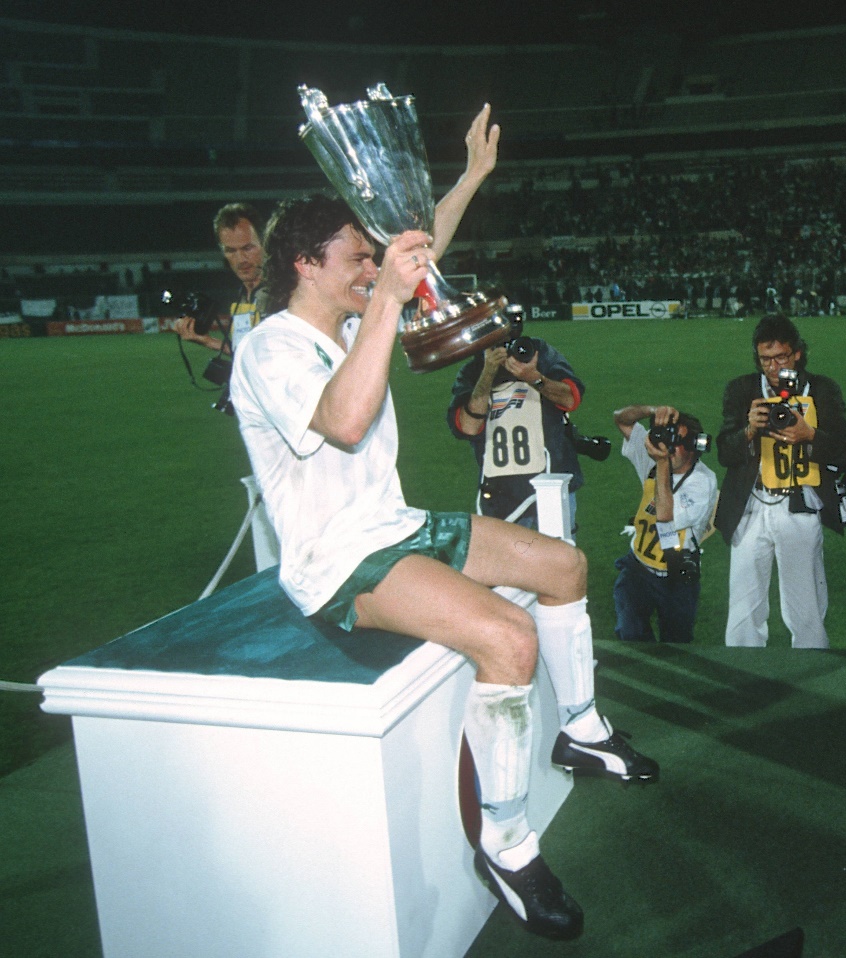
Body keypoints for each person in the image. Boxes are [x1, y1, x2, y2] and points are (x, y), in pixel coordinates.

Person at [227, 195, 656, 942]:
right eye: (356, 257)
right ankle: (507, 840)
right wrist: (386, 298)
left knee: (564, 565)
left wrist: (472, 178)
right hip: (339, 562)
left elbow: (415, 251)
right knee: (509, 637)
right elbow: (345, 421)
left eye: (371, 257)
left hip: (399, 525)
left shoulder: (351, 322)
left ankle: (581, 728)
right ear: (304, 263)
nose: (372, 267)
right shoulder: (271, 348)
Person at [716, 314, 846, 648]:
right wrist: (748, 429)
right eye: (766, 359)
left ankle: (811, 675)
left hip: (799, 504)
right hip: (752, 506)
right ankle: (744, 676)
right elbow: (724, 452)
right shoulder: (742, 389)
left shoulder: (821, 389)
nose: (774, 367)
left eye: (781, 358)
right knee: (744, 609)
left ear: (797, 354)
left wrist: (810, 435)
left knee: (804, 608)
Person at [447, 337, 586, 534]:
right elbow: (468, 427)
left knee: (558, 557)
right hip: (500, 488)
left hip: (551, 480)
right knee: (506, 562)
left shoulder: (538, 353)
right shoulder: (473, 370)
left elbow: (571, 398)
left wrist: (533, 376)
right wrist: (488, 373)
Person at [610, 403, 717, 643]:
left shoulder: (703, 481)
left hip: (676, 575)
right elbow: (621, 419)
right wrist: (651, 410)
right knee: (631, 634)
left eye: (675, 441)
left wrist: (661, 463)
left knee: (676, 643)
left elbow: (665, 516)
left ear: (692, 446)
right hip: (638, 568)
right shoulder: (656, 454)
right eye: (664, 438)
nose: (668, 448)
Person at [170, 202, 269, 356]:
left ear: (264, 243)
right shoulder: (243, 295)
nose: (241, 259)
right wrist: (206, 340)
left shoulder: (284, 293)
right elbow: (245, 354)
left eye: (247, 248)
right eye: (230, 251)